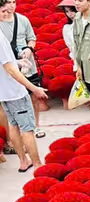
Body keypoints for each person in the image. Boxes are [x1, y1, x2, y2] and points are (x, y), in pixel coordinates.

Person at [0, 28, 45, 172]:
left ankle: (23, 161)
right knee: (27, 129)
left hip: (4, 91)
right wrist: (34, 88)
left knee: (13, 125)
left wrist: (18, 62)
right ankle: (37, 163)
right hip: (15, 91)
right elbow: (9, 69)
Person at [0, 0, 45, 138]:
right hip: (9, 66)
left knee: (33, 97)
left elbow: (31, 38)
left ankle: (36, 126)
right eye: (8, 2)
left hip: (27, 64)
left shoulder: (22, 20)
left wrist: (29, 48)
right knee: (8, 102)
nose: (11, 5)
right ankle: (13, 133)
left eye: (14, 2)